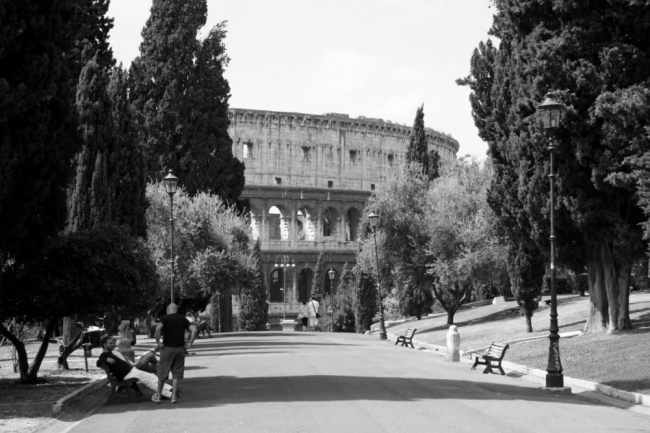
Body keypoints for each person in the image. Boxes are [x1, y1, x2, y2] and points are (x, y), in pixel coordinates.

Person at [97, 335, 173, 398]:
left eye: (113, 343)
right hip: (127, 374)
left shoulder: (111, 353)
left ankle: (169, 389)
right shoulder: (104, 355)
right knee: (148, 381)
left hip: (131, 371)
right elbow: (98, 362)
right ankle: (168, 394)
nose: (113, 344)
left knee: (151, 377)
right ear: (104, 344)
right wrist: (107, 360)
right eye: (110, 343)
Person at [153, 303, 197, 404]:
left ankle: (158, 395)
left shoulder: (164, 318)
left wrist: (158, 342)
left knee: (162, 373)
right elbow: (193, 329)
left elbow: (158, 328)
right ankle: (173, 397)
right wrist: (190, 343)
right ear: (176, 310)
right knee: (177, 374)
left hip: (167, 348)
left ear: (168, 310)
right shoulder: (183, 319)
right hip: (180, 349)